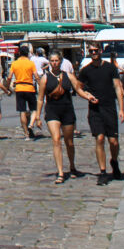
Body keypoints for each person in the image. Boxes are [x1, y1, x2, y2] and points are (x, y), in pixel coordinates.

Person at [34, 50, 97, 184]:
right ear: (49, 62)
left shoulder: (68, 76)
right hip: (52, 111)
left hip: (67, 110)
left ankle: (72, 166)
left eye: (56, 60)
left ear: (60, 61)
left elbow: (78, 90)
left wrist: (88, 96)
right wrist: (38, 116)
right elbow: (40, 99)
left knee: (69, 142)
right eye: (52, 61)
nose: (54, 63)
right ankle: (61, 172)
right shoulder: (45, 78)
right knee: (56, 140)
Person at [78, 43, 124, 184]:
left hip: (109, 107)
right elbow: (78, 88)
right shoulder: (85, 71)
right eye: (91, 51)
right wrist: (87, 96)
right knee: (99, 138)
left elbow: (118, 87)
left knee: (113, 141)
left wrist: (121, 109)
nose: (94, 53)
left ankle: (114, 161)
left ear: (100, 51)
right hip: (95, 110)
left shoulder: (110, 68)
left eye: (96, 50)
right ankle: (103, 172)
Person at [6, 43, 38, 139]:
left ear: (19, 53)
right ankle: (31, 124)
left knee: (22, 111)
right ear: (28, 53)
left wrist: (8, 87)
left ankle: (26, 134)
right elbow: (36, 76)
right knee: (34, 109)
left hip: (19, 88)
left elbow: (9, 77)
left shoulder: (15, 63)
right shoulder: (31, 63)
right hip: (30, 88)